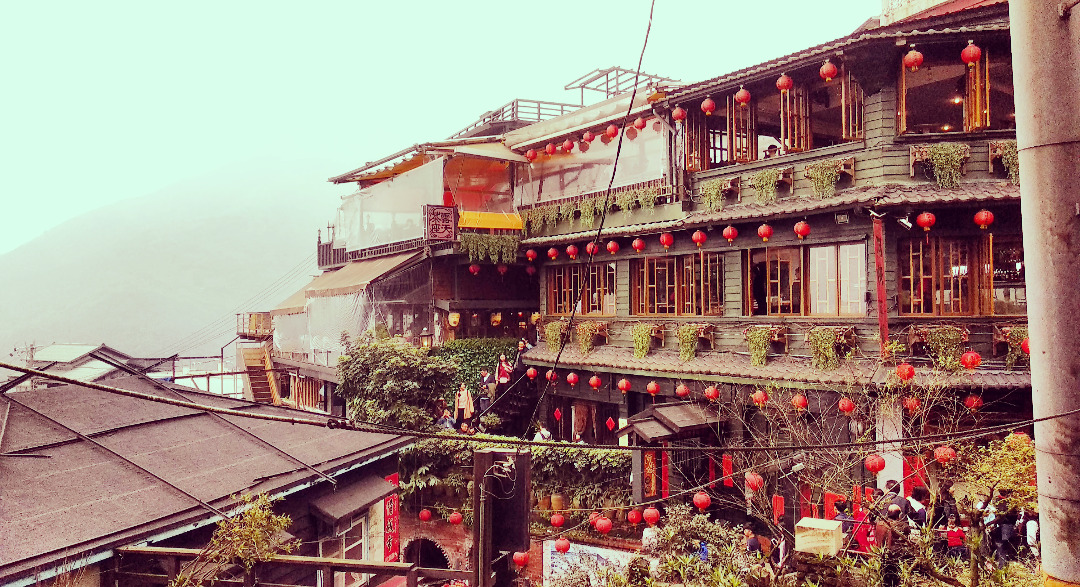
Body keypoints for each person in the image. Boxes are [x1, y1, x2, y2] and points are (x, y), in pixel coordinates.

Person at [876, 505, 910, 587]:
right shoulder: (901, 525)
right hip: (896, 555)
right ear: (899, 514)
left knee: (884, 577)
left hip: (882, 553)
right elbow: (908, 531)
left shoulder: (880, 524)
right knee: (895, 578)